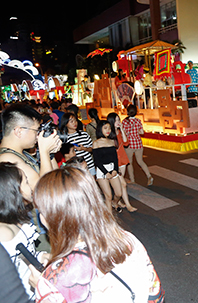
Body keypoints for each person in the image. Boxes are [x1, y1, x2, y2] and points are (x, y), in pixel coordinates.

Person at [30, 165, 165, 302]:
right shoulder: (127, 240)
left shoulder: (53, 281)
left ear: (51, 216)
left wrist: (42, 288)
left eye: (41, 210)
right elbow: (156, 295)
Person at [0, 162, 49, 300]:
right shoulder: (4, 234)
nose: (31, 187)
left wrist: (41, 257)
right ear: (13, 191)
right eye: (26, 182)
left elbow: (24, 256)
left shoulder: (15, 222)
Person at [0, 104, 61, 196]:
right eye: (36, 130)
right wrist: (44, 151)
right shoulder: (6, 159)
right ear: (19, 131)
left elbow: (55, 178)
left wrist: (49, 153)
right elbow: (44, 191)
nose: (38, 135)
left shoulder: (21, 153)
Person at [93, 120, 137, 212]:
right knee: (108, 196)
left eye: (109, 128)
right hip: (102, 170)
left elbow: (115, 158)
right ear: (100, 129)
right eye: (105, 128)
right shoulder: (96, 143)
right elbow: (97, 161)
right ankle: (110, 219)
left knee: (119, 193)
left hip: (112, 168)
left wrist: (115, 170)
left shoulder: (112, 141)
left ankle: (115, 202)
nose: (108, 130)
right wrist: (106, 173)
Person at [122, 105, 153, 186]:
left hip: (129, 144)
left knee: (130, 163)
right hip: (138, 144)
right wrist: (136, 132)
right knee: (140, 161)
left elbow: (123, 133)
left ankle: (132, 180)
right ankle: (149, 175)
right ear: (136, 112)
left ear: (127, 112)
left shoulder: (125, 122)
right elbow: (142, 132)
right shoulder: (138, 121)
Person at [107, 112, 130, 178]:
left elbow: (126, 143)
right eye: (115, 120)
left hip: (122, 158)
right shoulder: (108, 134)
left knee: (121, 180)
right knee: (120, 183)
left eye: (118, 120)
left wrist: (122, 130)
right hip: (113, 160)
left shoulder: (120, 132)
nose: (118, 122)